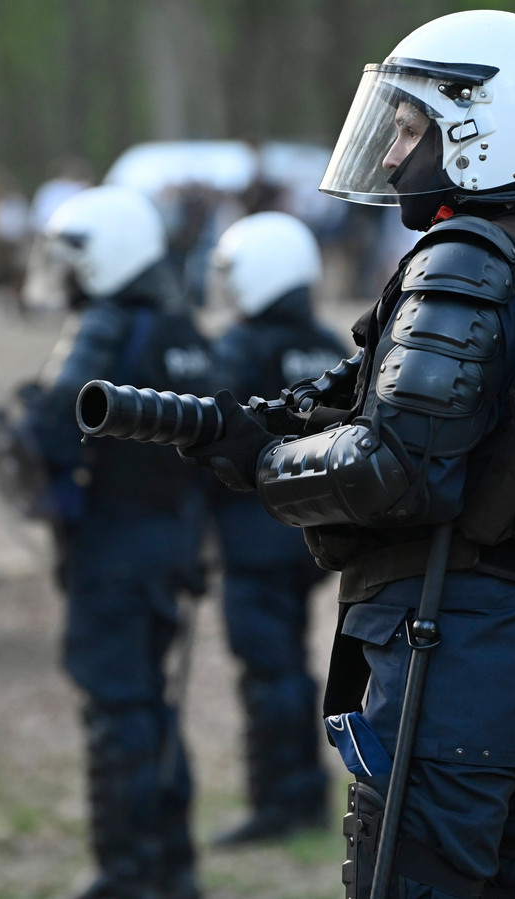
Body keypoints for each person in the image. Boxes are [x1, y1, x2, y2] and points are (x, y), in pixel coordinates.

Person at [178, 11, 515, 897]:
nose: (388, 155)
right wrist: (261, 424)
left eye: (409, 130)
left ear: (479, 128)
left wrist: (262, 467)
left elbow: (393, 466)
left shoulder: (470, 257)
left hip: (448, 671)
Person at [20, 186, 216, 898]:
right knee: (152, 705)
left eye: (75, 258)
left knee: (118, 710)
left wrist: (20, 418)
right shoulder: (184, 330)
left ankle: (126, 870)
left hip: (113, 547)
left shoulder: (106, 326)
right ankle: (174, 865)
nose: (65, 273)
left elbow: (53, 427)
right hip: (170, 542)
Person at [202, 212, 347, 845]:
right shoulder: (327, 342)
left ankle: (282, 803)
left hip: (253, 535)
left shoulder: (241, 346)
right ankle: (305, 793)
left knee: (268, 669)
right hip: (313, 534)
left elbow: (204, 435)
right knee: (290, 664)